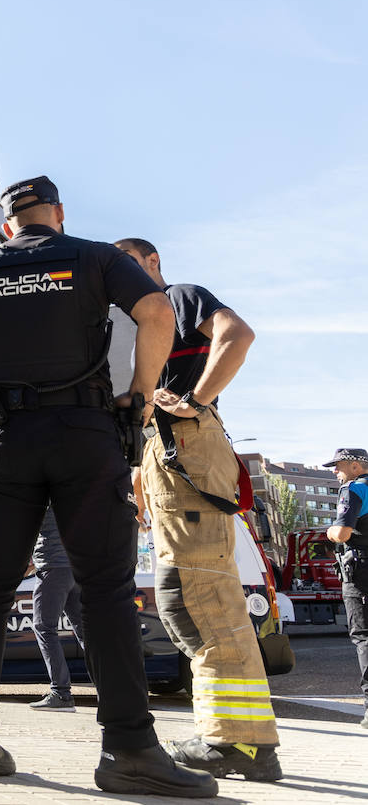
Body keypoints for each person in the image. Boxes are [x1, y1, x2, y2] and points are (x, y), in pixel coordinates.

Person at [0, 176, 215, 797]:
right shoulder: (94, 256)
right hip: (85, 433)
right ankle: (128, 749)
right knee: (104, 588)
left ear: (5, 226)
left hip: (6, 442)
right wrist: (138, 397)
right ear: (57, 213)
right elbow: (156, 312)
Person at [115, 236, 280, 780]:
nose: (124, 279)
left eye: (130, 266)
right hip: (172, 458)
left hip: (189, 450)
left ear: (153, 263)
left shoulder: (181, 296)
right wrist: (143, 467)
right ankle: (237, 736)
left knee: (204, 601)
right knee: (185, 603)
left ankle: (242, 744)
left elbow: (239, 335)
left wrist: (197, 400)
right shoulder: (148, 325)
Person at [323, 447, 368, 732]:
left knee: (364, 636)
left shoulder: (353, 489)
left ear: (355, 466)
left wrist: (329, 532)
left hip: (362, 571)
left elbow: (341, 533)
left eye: (338, 466)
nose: (334, 472)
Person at [28, 508, 86, 711]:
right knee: (84, 630)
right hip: (75, 566)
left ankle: (61, 693)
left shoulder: (42, 491)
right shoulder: (70, 489)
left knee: (44, 627)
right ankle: (112, 689)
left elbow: (28, 529)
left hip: (52, 565)